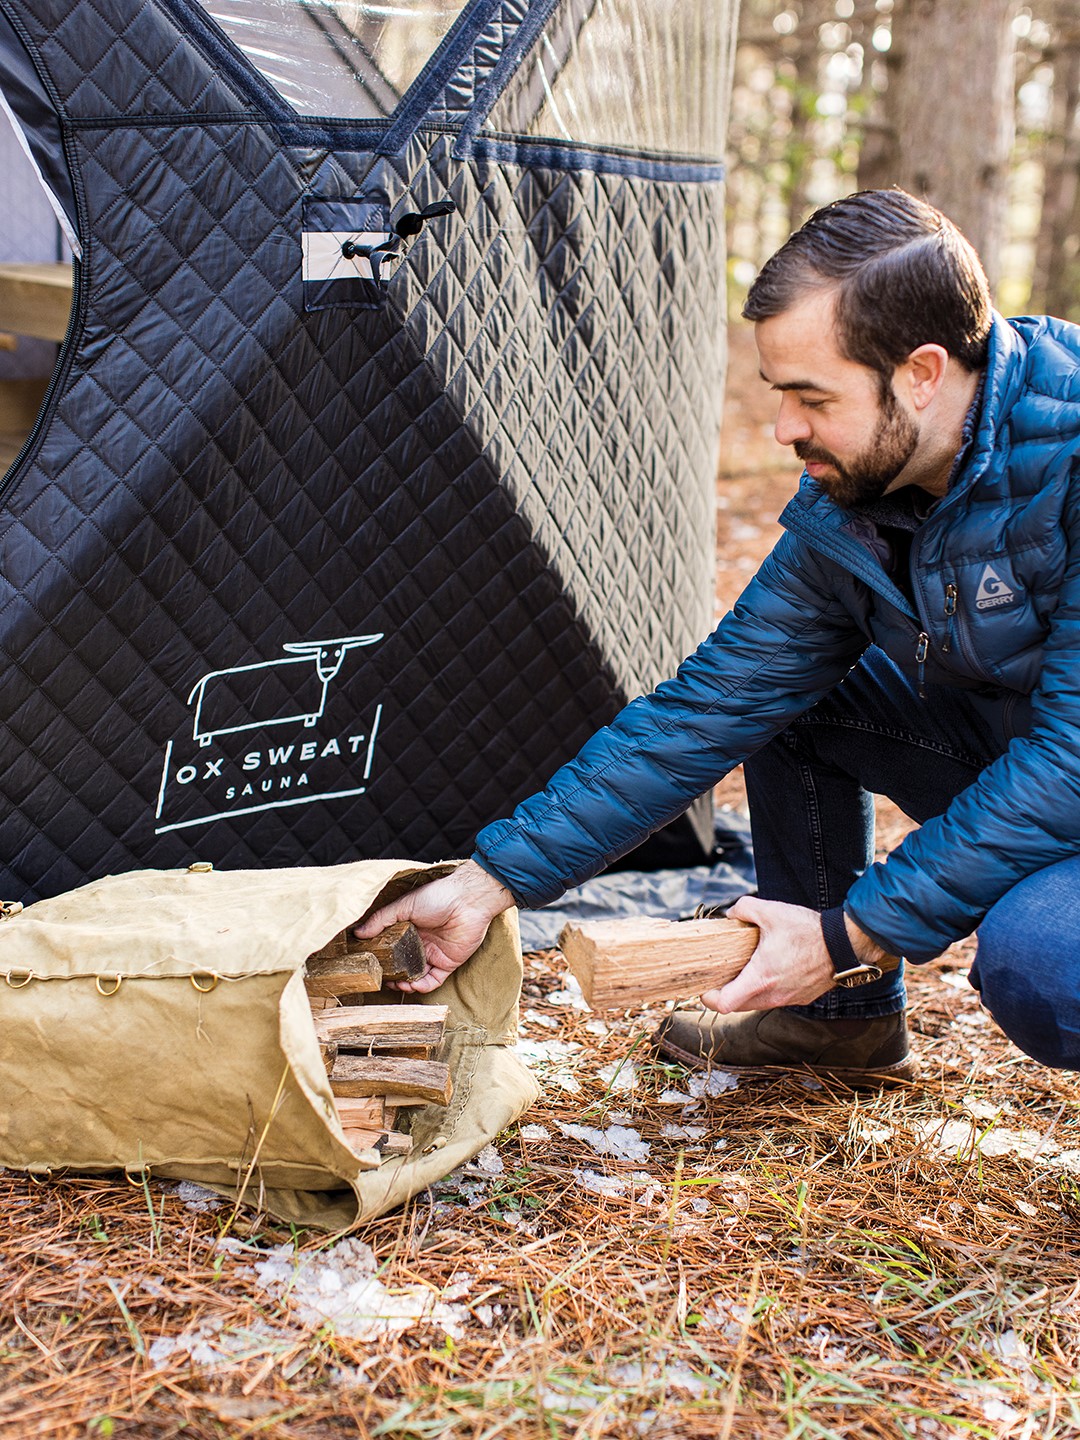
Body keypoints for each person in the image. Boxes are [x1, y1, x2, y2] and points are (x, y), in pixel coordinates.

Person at [357, 188, 1080, 1080]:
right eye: (780, 395)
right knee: (796, 705)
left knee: (1046, 963)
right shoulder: (859, 499)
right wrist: (491, 881)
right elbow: (714, 703)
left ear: (922, 373)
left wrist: (847, 933)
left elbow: (1072, 761)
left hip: (1063, 768)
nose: (783, 430)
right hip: (1029, 762)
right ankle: (837, 1027)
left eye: (812, 398)